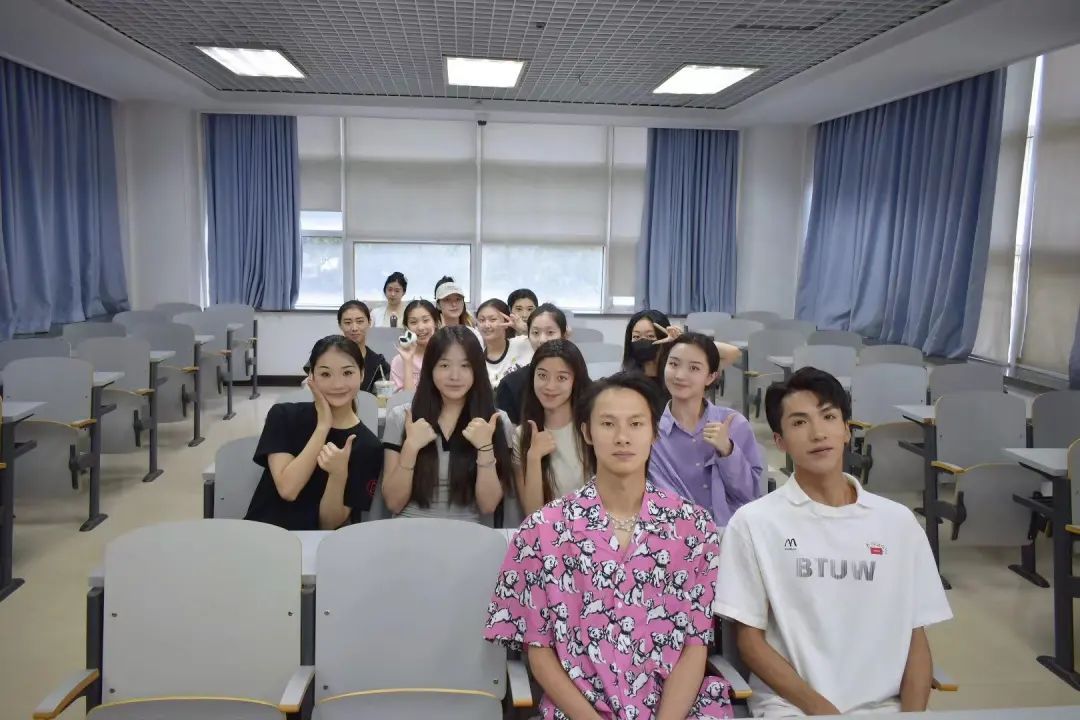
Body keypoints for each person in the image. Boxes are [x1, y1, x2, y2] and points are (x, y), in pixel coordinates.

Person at [484, 372, 733, 720]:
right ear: (586, 432)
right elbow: (538, 653)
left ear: (654, 432)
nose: (622, 437)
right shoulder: (543, 530)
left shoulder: (694, 528)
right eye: (607, 424)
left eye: (636, 424)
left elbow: (695, 646)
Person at [713, 368, 952, 717]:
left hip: (887, 708)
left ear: (846, 430)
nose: (818, 433)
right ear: (780, 441)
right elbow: (749, 643)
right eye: (799, 422)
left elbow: (916, 637)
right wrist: (826, 713)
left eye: (828, 417)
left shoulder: (898, 522)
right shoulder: (754, 523)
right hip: (795, 709)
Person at [245, 336, 382, 530]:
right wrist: (323, 426)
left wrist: (338, 474)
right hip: (263, 533)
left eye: (347, 373)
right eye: (325, 374)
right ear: (312, 377)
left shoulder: (368, 445)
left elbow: (328, 524)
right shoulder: (284, 415)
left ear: (362, 374)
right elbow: (288, 489)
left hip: (315, 541)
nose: (337, 384)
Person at [381, 326, 514, 522]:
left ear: (477, 370)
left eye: (465, 366)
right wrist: (410, 448)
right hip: (408, 529)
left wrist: (485, 448)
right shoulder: (402, 417)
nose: (454, 376)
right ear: (430, 369)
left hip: (466, 530)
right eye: (444, 365)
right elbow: (393, 503)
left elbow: (488, 506)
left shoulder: (495, 421)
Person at [649, 332, 762, 526]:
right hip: (675, 534)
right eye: (673, 364)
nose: (680, 375)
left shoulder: (734, 424)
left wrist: (728, 451)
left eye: (694, 368)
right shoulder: (651, 433)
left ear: (711, 377)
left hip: (730, 533)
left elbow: (750, 495)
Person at [513, 339, 591, 515]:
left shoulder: (592, 429)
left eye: (561, 378)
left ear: (575, 381)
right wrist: (533, 457)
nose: (550, 386)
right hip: (547, 528)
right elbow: (532, 514)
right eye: (542, 376)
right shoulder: (523, 434)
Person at [622, 310, 743, 398]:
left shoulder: (679, 376)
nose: (643, 341)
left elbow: (733, 352)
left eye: (650, 336)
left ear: (664, 337)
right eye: (636, 337)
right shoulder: (626, 382)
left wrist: (682, 339)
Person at [495, 303, 568, 424]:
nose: (542, 340)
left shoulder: (576, 374)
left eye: (550, 332)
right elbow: (506, 430)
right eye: (535, 333)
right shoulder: (511, 384)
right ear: (528, 335)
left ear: (563, 335)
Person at [476, 298, 534, 389]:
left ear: (507, 321)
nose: (487, 325)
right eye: (482, 320)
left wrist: (525, 329)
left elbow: (554, 346)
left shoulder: (526, 343)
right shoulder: (476, 361)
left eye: (493, 319)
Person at [336, 300, 391, 393]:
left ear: (369, 323)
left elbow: (382, 397)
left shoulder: (379, 365)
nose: (354, 328)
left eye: (360, 321)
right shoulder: (328, 356)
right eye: (348, 322)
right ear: (340, 325)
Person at [390, 299, 438, 392]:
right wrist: (407, 362)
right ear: (406, 327)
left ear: (435, 322)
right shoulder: (399, 361)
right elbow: (404, 400)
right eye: (413, 322)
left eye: (426, 320)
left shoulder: (445, 355)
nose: (420, 327)